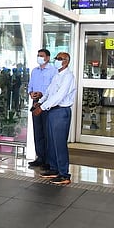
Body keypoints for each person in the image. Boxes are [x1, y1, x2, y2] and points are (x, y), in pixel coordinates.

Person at [32, 52, 75, 185]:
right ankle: (54, 169)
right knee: (51, 142)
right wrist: (40, 102)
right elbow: (49, 92)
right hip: (52, 110)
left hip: (61, 111)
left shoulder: (68, 76)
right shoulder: (57, 75)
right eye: (56, 58)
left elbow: (59, 96)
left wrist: (42, 108)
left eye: (59, 59)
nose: (56, 60)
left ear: (66, 62)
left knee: (59, 143)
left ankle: (64, 174)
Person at [27, 49, 57, 169]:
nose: (39, 57)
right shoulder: (35, 71)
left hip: (47, 103)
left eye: (42, 56)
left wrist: (42, 94)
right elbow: (30, 85)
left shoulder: (53, 71)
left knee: (47, 132)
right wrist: (31, 93)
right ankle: (40, 157)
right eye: (38, 55)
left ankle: (48, 160)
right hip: (36, 103)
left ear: (48, 58)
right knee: (38, 130)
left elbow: (53, 89)